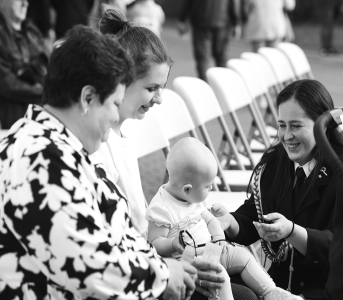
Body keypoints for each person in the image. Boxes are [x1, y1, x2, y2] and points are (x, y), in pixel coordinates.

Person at [0, 25, 197, 300]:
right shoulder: (38, 157)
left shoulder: (57, 148)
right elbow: (84, 263)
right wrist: (162, 275)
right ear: (88, 98)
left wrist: (166, 265)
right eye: (115, 105)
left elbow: (115, 235)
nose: (116, 119)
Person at [92, 6, 259, 300]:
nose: (159, 99)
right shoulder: (99, 145)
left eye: (162, 87)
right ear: (121, 79)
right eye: (151, 88)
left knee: (244, 278)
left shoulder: (122, 132)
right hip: (139, 271)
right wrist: (168, 262)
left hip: (154, 255)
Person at [211, 79, 343, 299]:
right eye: (282, 125)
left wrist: (292, 232)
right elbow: (255, 214)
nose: (286, 135)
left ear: (323, 125)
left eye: (296, 125)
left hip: (326, 287)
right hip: (280, 285)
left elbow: (342, 244)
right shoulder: (277, 162)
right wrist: (230, 221)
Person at [146, 137, 302, 300]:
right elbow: (154, 243)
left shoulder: (191, 199)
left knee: (244, 256)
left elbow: (211, 220)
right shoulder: (161, 208)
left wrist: (219, 237)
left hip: (210, 250)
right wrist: (172, 244)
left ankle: (271, 292)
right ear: (187, 189)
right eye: (207, 186)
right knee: (220, 278)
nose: (212, 188)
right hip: (189, 263)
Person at [0, 0, 49, 129]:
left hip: (43, 113)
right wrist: (44, 91)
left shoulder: (32, 30)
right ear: (2, 2)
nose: (25, 4)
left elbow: (51, 63)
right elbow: (5, 82)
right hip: (15, 119)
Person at [178, 0, 241, 81]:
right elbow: (234, 2)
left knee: (203, 59)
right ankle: (223, 87)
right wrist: (236, 22)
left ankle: (205, 87)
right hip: (222, 23)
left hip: (201, 22)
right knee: (221, 58)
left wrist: (182, 19)